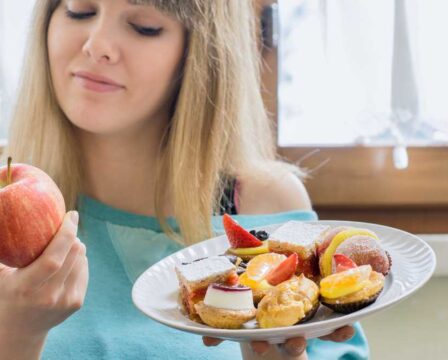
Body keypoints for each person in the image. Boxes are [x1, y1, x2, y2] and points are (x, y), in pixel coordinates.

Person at [0, 0, 369, 359]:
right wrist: (14, 336)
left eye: (145, 26)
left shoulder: (268, 206)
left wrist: (277, 353)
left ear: (201, 52)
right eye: (80, 10)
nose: (97, 45)